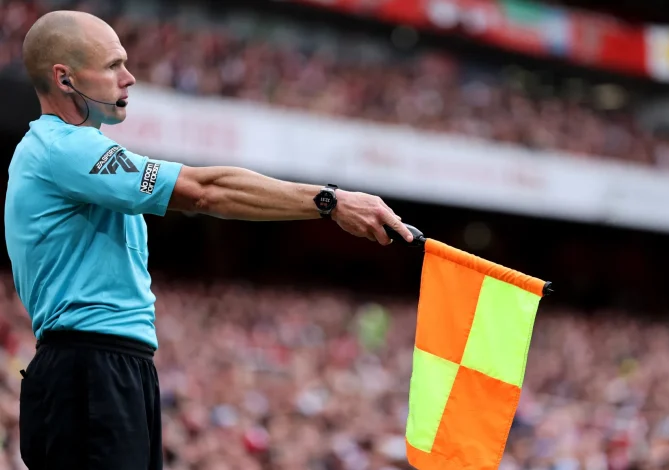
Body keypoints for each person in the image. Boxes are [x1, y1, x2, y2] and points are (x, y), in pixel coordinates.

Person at [4, 10, 414, 470]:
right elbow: (205, 191)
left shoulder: (69, 151)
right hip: (89, 370)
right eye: (114, 65)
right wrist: (330, 202)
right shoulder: (63, 148)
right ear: (64, 78)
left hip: (108, 367)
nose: (129, 77)